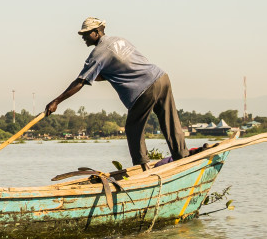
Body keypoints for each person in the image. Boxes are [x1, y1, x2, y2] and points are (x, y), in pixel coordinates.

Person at [44, 17, 188, 169]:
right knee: (170, 121)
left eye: (86, 34)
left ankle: (143, 167)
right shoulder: (119, 40)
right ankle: (182, 156)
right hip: (160, 77)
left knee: (133, 128)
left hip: (144, 88)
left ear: (96, 32)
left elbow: (80, 82)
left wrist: (56, 102)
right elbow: (127, 64)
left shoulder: (98, 53)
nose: (83, 38)